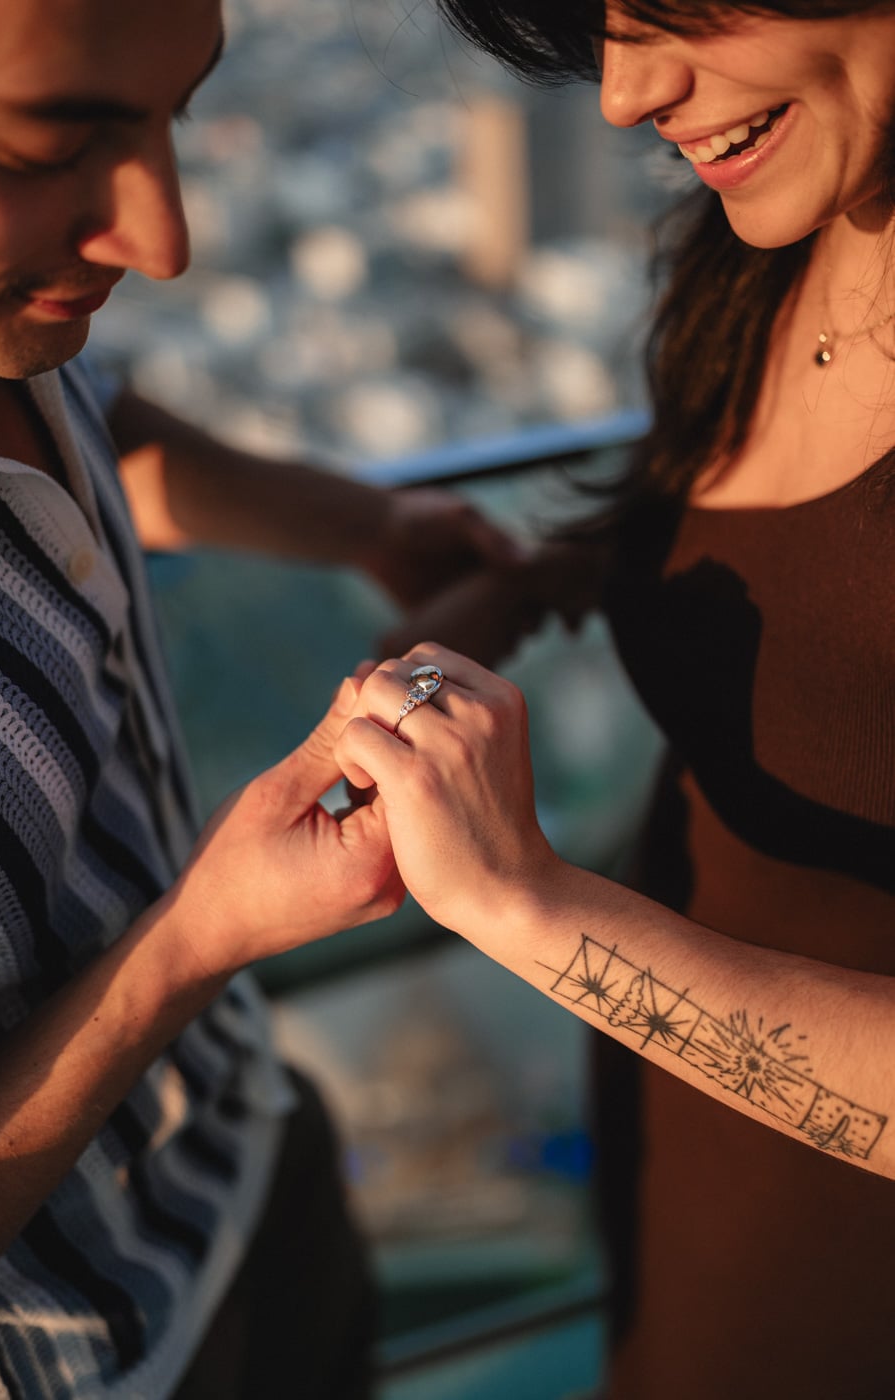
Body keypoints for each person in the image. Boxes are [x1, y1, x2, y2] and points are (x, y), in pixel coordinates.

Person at [333, 3, 895, 1397]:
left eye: (674, 12)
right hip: (699, 1129)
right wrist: (541, 582)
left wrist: (528, 905)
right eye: (599, 32)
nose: (623, 96)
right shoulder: (781, 226)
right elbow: (811, 581)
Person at [0, 2, 520, 1396]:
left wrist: (356, 526)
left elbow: (106, 438)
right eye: (50, 145)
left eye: (175, 117)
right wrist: (198, 936)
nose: (161, 239)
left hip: (256, 1152)